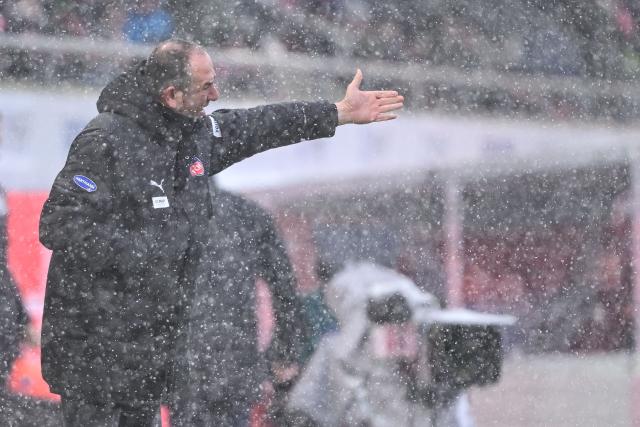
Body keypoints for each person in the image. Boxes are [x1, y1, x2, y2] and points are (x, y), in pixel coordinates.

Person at [38, 38, 403, 426]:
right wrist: (146, 252)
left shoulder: (193, 133)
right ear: (172, 95)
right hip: (96, 350)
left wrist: (338, 112)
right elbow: (59, 224)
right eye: (205, 87)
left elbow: (262, 124)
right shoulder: (107, 141)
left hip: (147, 352)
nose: (216, 94)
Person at [170, 181, 307, 426]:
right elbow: (284, 288)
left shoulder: (160, 217)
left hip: (182, 366)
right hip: (235, 362)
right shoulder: (246, 214)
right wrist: (285, 350)